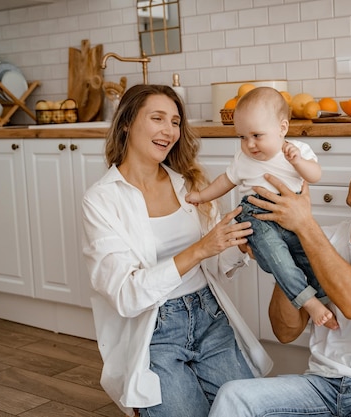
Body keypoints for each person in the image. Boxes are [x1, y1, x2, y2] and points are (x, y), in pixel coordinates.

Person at [209, 134, 351, 417]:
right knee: (235, 396)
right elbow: (285, 331)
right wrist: (282, 255)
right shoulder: (324, 238)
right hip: (319, 388)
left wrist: (304, 226)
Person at [81, 84, 273, 417]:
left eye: (175, 122)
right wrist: (200, 248)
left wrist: (239, 243)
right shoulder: (101, 200)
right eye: (158, 118)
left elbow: (216, 263)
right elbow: (126, 295)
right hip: (155, 331)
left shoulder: (189, 184)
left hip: (209, 317)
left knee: (247, 410)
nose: (169, 131)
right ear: (126, 122)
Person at [186, 86, 337, 329]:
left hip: (294, 215)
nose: (250, 144)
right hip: (257, 216)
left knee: (307, 257)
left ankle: (323, 298)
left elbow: (315, 175)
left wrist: (297, 161)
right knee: (278, 259)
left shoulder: (296, 151)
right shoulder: (243, 159)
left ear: (282, 128)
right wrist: (202, 196)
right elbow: (225, 181)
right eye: (242, 137)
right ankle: (308, 301)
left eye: (257, 135)